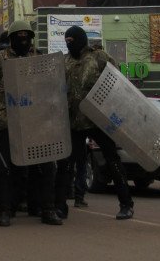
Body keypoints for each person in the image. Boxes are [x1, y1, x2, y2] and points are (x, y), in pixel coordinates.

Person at [0, 20, 63, 227]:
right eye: (19, 36)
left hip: (38, 121)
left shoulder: (40, 59)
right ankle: (6, 209)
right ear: (12, 39)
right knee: (6, 168)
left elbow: (54, 87)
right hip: (8, 121)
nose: (23, 40)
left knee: (46, 166)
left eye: (27, 36)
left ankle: (47, 208)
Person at [55, 26, 134, 220]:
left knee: (112, 160)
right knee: (66, 164)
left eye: (72, 40)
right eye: (67, 41)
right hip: (74, 121)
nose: (69, 44)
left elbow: (118, 83)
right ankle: (59, 206)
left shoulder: (99, 58)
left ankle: (126, 204)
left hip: (98, 120)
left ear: (81, 40)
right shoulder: (64, 62)